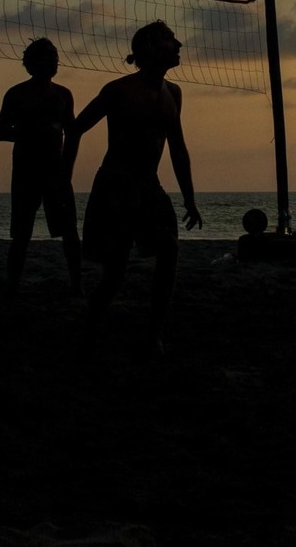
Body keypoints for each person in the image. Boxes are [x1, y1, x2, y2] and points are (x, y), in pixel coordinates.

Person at [62, 20, 201, 353]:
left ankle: (154, 333)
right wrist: (63, 179)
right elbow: (77, 128)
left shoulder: (174, 93)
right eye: (170, 39)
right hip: (116, 184)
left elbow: (178, 147)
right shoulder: (119, 90)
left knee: (169, 251)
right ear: (150, 48)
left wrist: (189, 200)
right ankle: (90, 332)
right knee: (116, 270)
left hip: (149, 186)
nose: (178, 44)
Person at [0, 38, 82, 294]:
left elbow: (73, 134)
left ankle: (77, 285)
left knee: (69, 231)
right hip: (26, 170)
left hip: (56, 171)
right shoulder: (16, 94)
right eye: (47, 58)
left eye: (54, 57)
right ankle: (12, 286)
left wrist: (66, 172)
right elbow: (1, 132)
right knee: (22, 232)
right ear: (31, 64)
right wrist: (30, 131)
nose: (52, 62)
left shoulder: (63, 95)